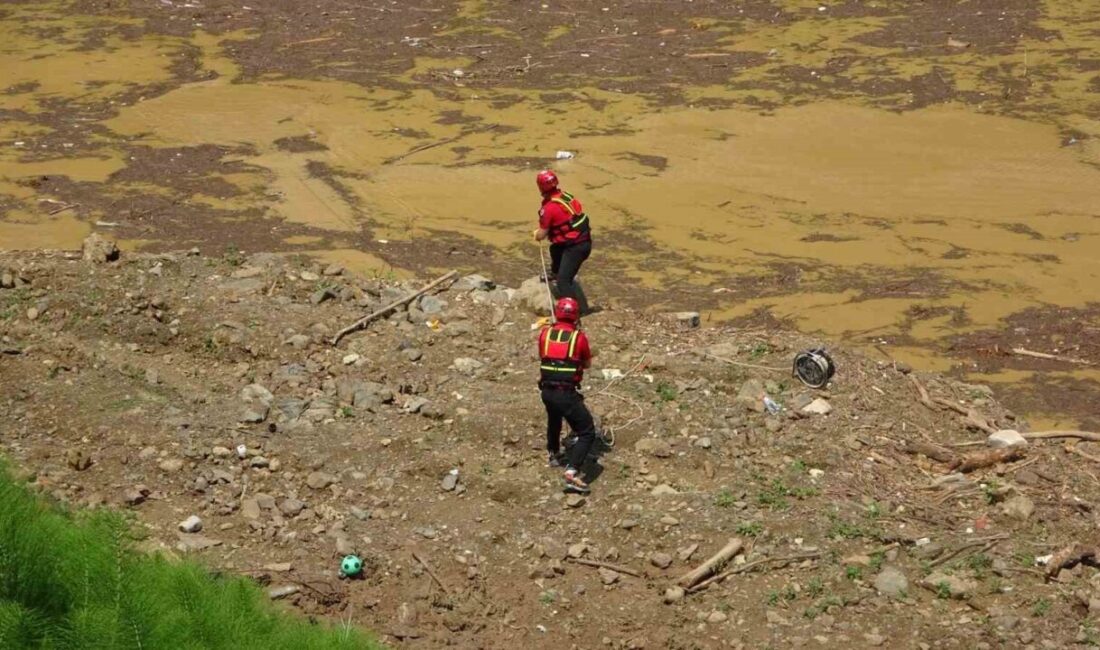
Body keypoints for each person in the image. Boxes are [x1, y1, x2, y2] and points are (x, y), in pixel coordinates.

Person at [538, 297, 597, 493]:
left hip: (546, 391)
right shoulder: (578, 338)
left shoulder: (545, 334)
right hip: (566, 393)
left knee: (554, 418)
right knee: (587, 431)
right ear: (576, 316)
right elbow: (587, 364)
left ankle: (554, 453)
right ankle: (572, 472)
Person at [533, 170, 591, 315]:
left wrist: (536, 235)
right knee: (555, 249)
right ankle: (555, 272)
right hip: (581, 240)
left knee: (563, 282)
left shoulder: (548, 208)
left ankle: (571, 313)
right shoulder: (566, 197)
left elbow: (542, 234)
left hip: (575, 247)